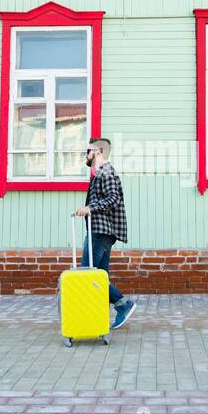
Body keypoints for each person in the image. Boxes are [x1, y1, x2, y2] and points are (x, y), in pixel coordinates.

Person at [72, 137, 136, 330]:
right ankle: (99, 318)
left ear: (98, 151)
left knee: (88, 275)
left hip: (100, 231)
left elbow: (113, 198)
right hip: (104, 231)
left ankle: (123, 304)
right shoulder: (100, 172)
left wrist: (90, 207)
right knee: (100, 277)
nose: (86, 154)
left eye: (88, 151)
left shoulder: (105, 171)